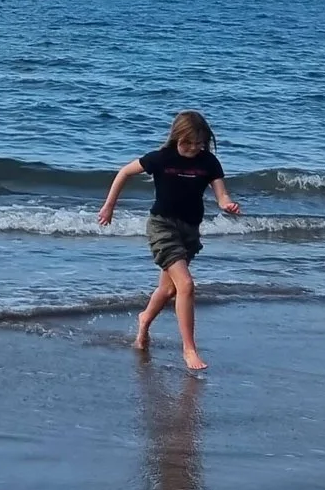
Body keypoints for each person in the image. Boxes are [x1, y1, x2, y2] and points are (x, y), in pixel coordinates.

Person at [99, 111, 241, 371]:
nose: (195, 148)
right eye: (190, 142)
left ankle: (143, 322)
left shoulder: (209, 162)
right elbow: (124, 173)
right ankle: (189, 350)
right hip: (162, 226)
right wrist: (109, 207)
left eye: (200, 143)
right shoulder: (161, 158)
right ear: (178, 136)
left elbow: (221, 195)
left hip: (189, 230)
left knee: (168, 290)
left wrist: (227, 205)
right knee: (186, 284)